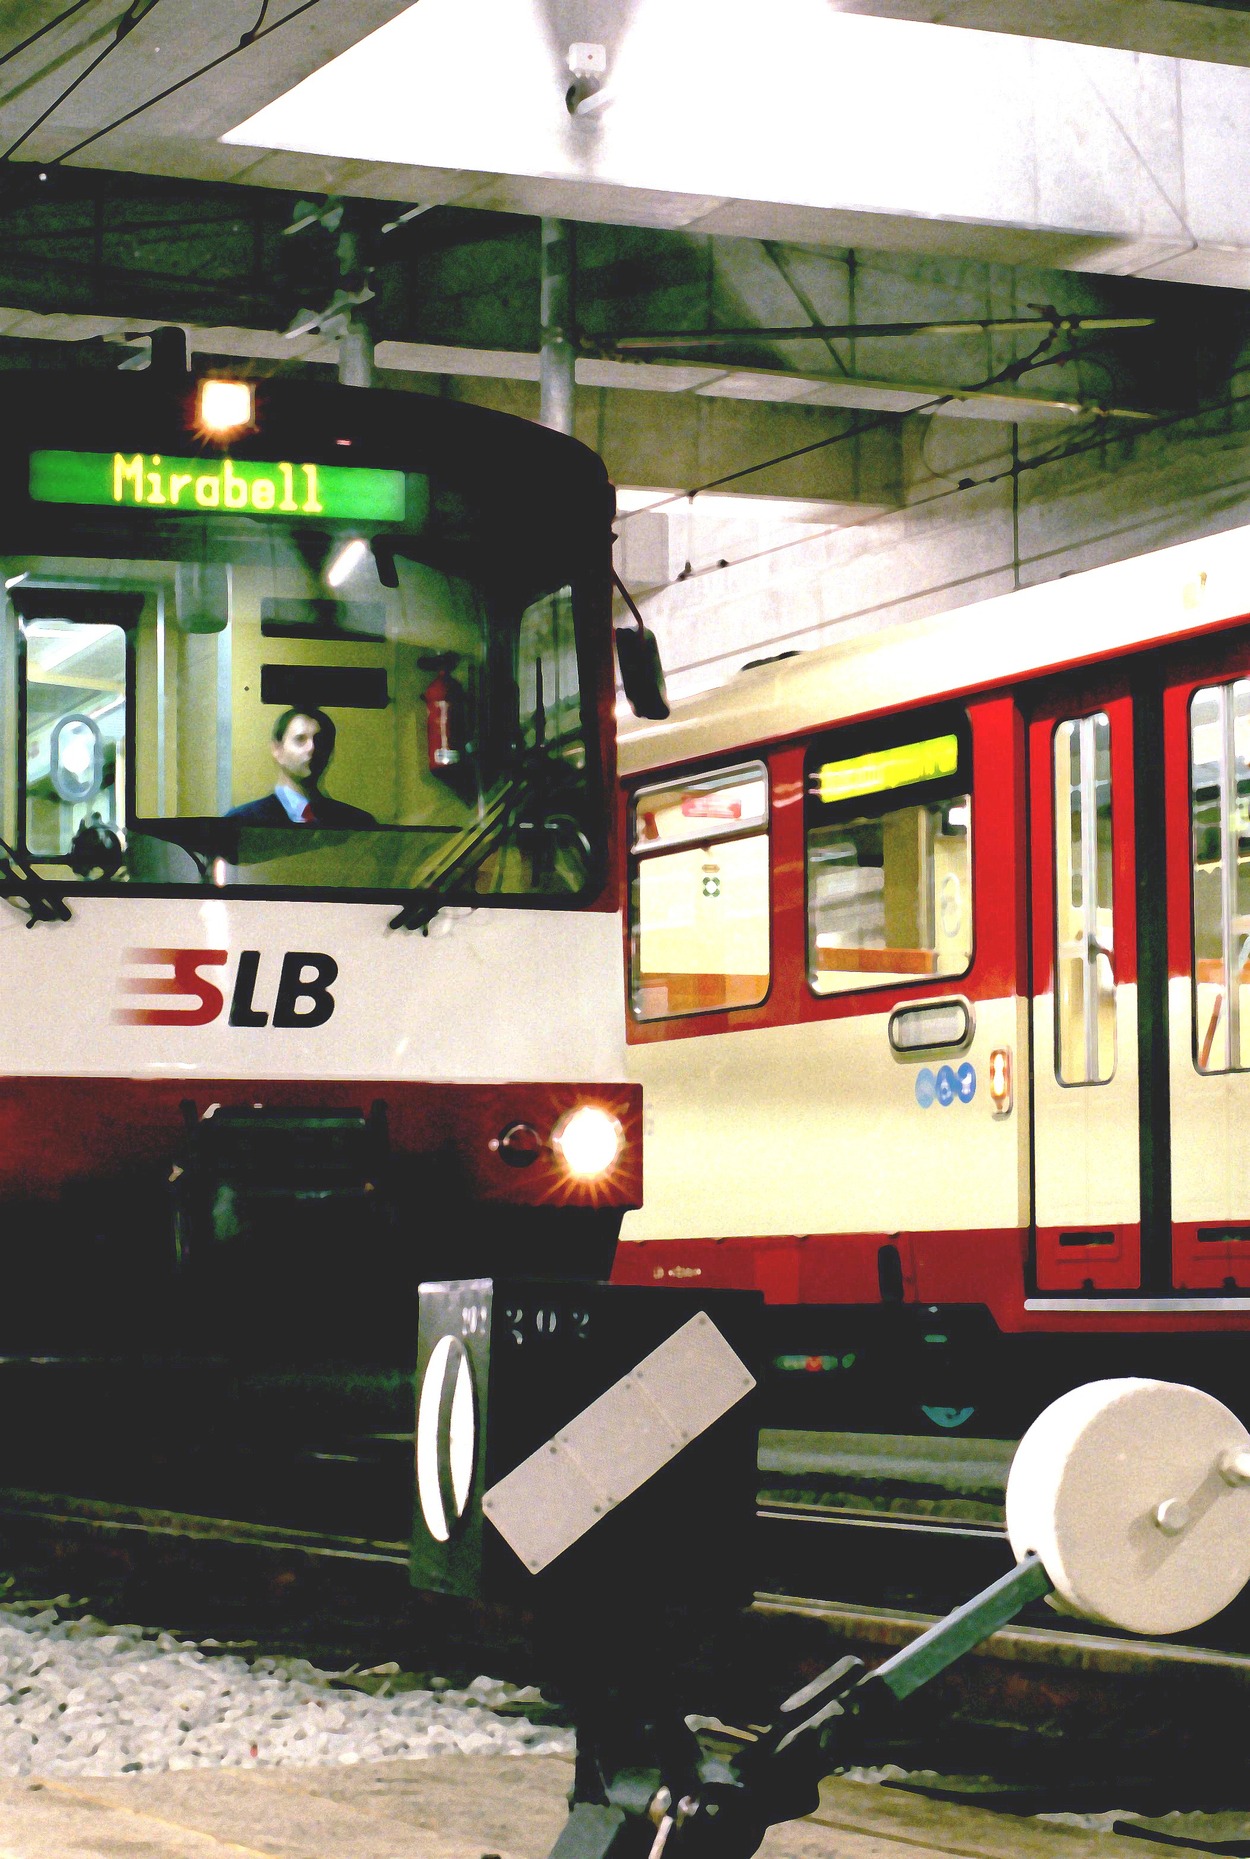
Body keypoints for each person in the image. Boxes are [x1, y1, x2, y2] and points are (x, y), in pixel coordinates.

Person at [226, 707, 376, 827]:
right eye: (300, 739)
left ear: (330, 752)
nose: (311, 748)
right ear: (277, 749)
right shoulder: (242, 822)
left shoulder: (358, 824)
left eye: (320, 740)